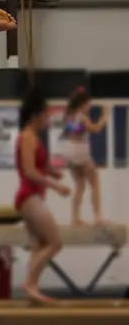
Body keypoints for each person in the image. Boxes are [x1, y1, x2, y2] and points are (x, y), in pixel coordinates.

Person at [14, 88, 71, 305]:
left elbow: (38, 166)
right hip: (29, 197)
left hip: (32, 196)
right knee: (55, 242)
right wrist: (57, 186)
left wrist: (51, 170)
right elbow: (29, 171)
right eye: (46, 115)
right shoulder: (27, 137)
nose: (49, 118)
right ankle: (29, 284)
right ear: (35, 115)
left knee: (40, 244)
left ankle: (32, 289)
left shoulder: (33, 138)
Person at [60, 86, 107, 225]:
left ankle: (74, 218)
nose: (89, 106)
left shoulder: (68, 116)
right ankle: (98, 217)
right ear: (82, 104)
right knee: (95, 182)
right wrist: (105, 115)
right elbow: (96, 129)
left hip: (69, 152)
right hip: (81, 151)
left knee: (80, 185)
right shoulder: (81, 117)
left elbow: (69, 133)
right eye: (88, 104)